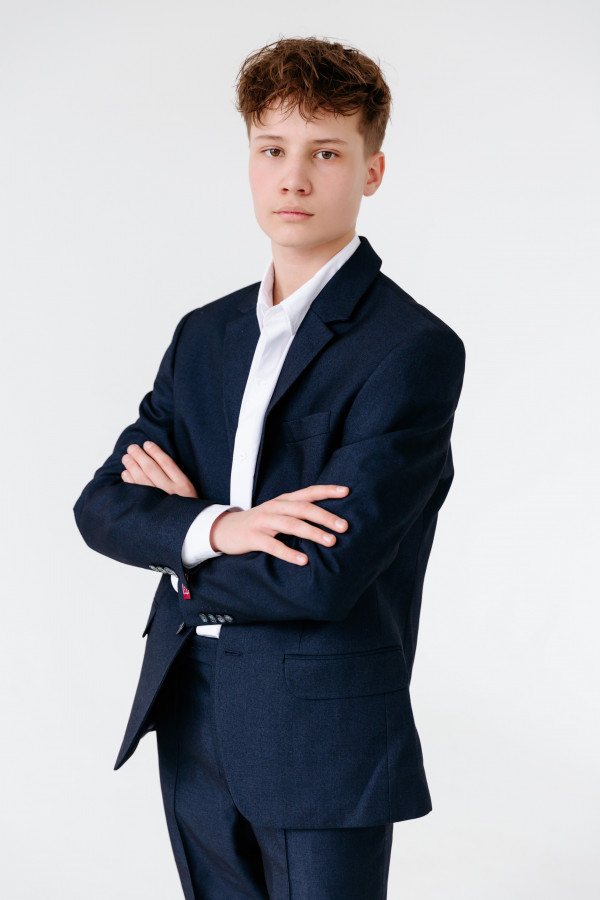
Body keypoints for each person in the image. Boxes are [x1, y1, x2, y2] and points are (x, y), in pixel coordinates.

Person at [74, 35, 466, 900]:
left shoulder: (410, 349)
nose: (293, 178)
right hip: (190, 703)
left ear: (371, 171)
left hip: (321, 730)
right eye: (272, 150)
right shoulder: (203, 336)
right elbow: (100, 506)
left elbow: (323, 575)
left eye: (326, 153)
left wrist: (182, 546)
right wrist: (226, 527)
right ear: (249, 162)